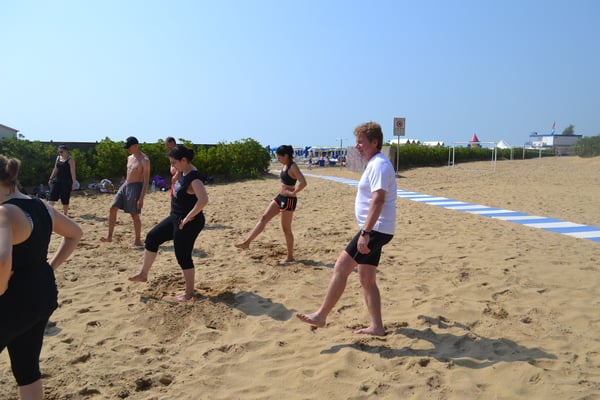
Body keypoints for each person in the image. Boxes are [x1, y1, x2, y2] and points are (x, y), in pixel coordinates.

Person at [296, 121, 396, 336]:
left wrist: (365, 233)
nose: (357, 146)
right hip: (378, 228)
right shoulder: (375, 163)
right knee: (367, 278)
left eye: (361, 142)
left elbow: (379, 199)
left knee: (341, 267)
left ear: (375, 142)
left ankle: (321, 316)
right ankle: (377, 327)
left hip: (376, 229)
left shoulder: (379, 164)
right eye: (356, 142)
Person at [0, 155, 83, 400]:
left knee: (26, 366)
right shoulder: (41, 205)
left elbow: (3, 261)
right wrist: (50, 267)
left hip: (14, 301)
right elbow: (75, 233)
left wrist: (1, 287)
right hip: (43, 294)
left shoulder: (4, 213)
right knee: (27, 369)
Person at [128, 145, 209, 301]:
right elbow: (177, 177)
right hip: (175, 217)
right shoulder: (183, 171)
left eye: (174, 163)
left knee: (183, 255)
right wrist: (176, 174)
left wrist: (187, 218)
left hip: (189, 221)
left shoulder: (195, 178)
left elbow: (203, 200)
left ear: (184, 160)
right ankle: (143, 274)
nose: (172, 166)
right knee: (152, 237)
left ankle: (189, 293)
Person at [235, 145, 307, 264]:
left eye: (279, 157)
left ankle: (290, 257)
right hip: (280, 197)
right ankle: (247, 242)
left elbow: (303, 182)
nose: (278, 159)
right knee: (263, 218)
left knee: (286, 229)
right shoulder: (285, 165)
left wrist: (293, 193)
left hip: (288, 200)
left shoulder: (293, 167)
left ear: (286, 156)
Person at [100, 136, 150, 247]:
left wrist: (141, 198)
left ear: (135, 146)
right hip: (126, 185)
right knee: (112, 208)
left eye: (129, 147)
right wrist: (122, 186)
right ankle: (109, 237)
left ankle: (137, 240)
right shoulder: (129, 158)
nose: (128, 149)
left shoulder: (144, 160)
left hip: (136, 187)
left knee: (134, 214)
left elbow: (146, 181)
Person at [47, 144, 77, 215]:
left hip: (66, 181)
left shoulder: (70, 160)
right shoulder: (58, 158)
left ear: (66, 151)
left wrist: (74, 183)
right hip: (57, 180)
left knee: (65, 197)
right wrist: (51, 178)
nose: (60, 153)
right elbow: (55, 169)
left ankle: (65, 214)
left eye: (61, 151)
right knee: (52, 196)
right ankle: (48, 213)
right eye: (59, 152)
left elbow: (73, 172)